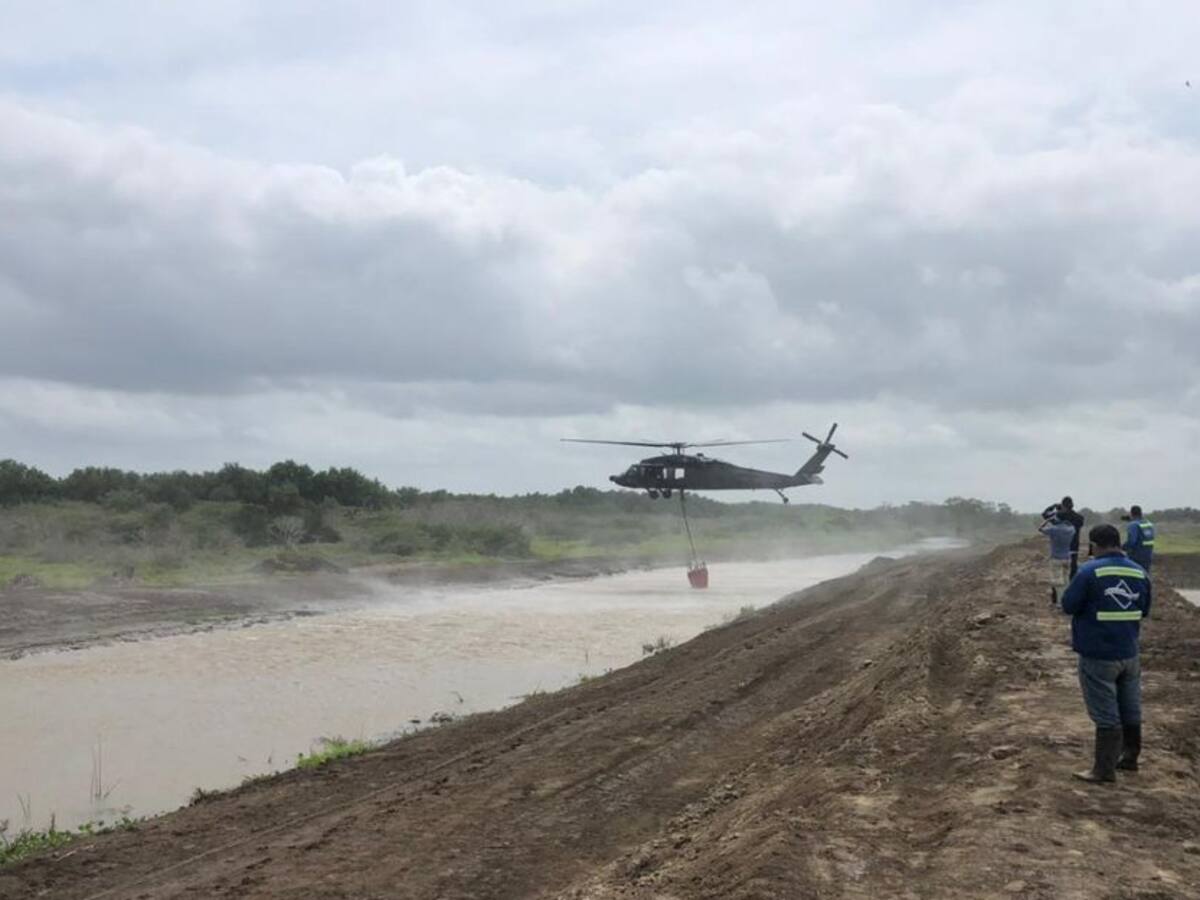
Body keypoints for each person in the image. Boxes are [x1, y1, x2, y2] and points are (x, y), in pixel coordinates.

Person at [1059, 524, 1152, 783]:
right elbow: (1144, 609)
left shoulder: (1089, 571)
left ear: (1094, 545)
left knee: (1106, 713)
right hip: (1130, 653)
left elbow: (1068, 605)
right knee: (1130, 706)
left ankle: (1103, 770)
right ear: (1119, 543)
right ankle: (1130, 758)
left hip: (1098, 654)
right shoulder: (1140, 571)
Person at [1044, 496, 1086, 578]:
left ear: (1062, 505)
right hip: (1074, 547)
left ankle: (1058, 590)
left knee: (1058, 574)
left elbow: (1045, 514)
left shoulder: (1058, 516)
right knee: (1073, 570)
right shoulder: (1080, 518)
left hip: (1059, 550)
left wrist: (1053, 506)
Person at [1038, 515, 1075, 605]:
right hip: (1067, 558)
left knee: (1058, 583)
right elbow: (1072, 525)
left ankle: (1060, 603)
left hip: (1056, 559)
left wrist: (1047, 520)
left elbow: (1040, 529)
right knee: (1066, 581)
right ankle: (1068, 601)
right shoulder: (1071, 530)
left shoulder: (1053, 530)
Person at [1121, 505, 1156, 572]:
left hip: (1136, 557)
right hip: (1148, 556)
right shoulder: (1149, 524)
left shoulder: (1133, 525)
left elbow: (1131, 542)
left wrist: (1121, 547)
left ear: (1131, 513)